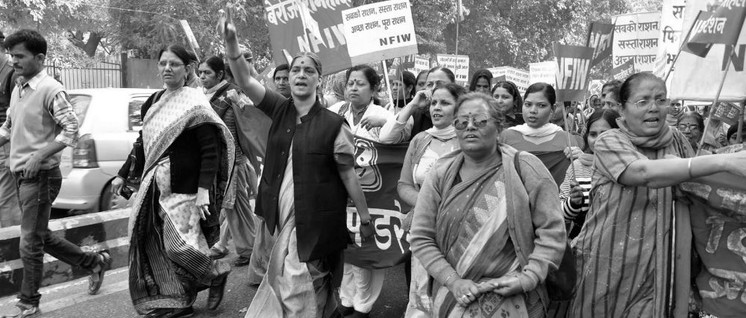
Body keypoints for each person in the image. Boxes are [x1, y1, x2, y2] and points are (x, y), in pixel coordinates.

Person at [221, 13, 375, 317]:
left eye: (308, 70)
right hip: (279, 216)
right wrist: (230, 43)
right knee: (288, 279)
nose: (301, 75)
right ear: (288, 78)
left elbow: (347, 172)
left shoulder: (334, 124)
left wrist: (365, 216)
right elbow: (244, 79)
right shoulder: (279, 109)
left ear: (319, 78)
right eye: (295, 70)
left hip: (316, 219)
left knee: (299, 280)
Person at [569, 72, 746, 317]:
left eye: (661, 100)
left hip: (664, 261)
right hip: (610, 258)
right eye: (643, 102)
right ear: (622, 109)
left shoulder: (677, 139)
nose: (654, 108)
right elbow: (642, 173)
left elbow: (699, 187)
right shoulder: (610, 140)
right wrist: (723, 162)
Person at [410, 92, 566, 318]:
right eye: (462, 122)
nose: (470, 127)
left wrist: (528, 277)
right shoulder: (441, 172)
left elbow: (552, 231)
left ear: (499, 126)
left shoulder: (525, 168)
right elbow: (421, 236)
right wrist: (453, 281)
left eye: (480, 121)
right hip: (453, 297)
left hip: (515, 297)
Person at [116, 44, 235, 318]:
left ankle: (215, 272)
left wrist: (204, 190)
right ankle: (178, 302)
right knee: (155, 244)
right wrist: (123, 174)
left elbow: (210, 150)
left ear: (187, 69)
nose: (167, 68)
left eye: (174, 64)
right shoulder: (154, 101)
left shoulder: (195, 101)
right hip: (153, 186)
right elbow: (142, 145)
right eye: (163, 63)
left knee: (178, 245)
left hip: (185, 188)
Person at [0, 29, 111, 318]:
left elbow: (72, 129)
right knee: (39, 235)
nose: (13, 61)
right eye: (11, 55)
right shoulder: (19, 87)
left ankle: (29, 302)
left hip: (42, 176)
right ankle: (93, 262)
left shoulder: (51, 89)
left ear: (39, 58)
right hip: (21, 174)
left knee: (30, 241)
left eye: (19, 56)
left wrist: (40, 155)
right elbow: (9, 128)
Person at [399, 83, 466, 318]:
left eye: (445, 103)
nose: (436, 108)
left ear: (460, 108)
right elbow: (404, 185)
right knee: (420, 296)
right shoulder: (420, 140)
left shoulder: (470, 142)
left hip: (460, 232)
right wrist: (427, 204)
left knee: (453, 295)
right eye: (434, 102)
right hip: (424, 228)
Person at [196, 56, 259, 267]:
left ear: (220, 74)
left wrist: (239, 102)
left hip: (235, 160)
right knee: (227, 207)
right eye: (200, 72)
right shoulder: (200, 97)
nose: (202, 77)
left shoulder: (233, 92)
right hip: (212, 162)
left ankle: (250, 249)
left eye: (207, 73)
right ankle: (240, 246)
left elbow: (252, 118)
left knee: (237, 206)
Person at [499, 83, 581, 187]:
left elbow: (576, 178)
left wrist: (581, 159)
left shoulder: (567, 140)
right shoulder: (506, 137)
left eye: (541, 105)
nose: (533, 111)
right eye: (528, 104)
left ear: (553, 108)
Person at [559, 109, 620, 239]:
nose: (598, 139)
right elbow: (560, 212)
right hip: (582, 243)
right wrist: (574, 203)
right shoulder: (577, 167)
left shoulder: (629, 168)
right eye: (593, 134)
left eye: (605, 134)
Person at [329, 65, 405, 144]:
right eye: (350, 84)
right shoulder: (338, 109)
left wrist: (383, 124)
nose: (354, 88)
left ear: (373, 89)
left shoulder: (383, 115)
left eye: (360, 84)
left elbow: (396, 139)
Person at [380, 67, 456, 142]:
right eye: (430, 84)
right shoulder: (413, 114)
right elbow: (385, 138)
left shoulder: (462, 115)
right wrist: (413, 105)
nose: (433, 88)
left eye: (440, 84)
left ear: (454, 86)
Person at [0, 30, 20, 227]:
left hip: (6, 144)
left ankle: (10, 249)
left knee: (6, 200)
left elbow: (17, 115)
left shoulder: (12, 72)